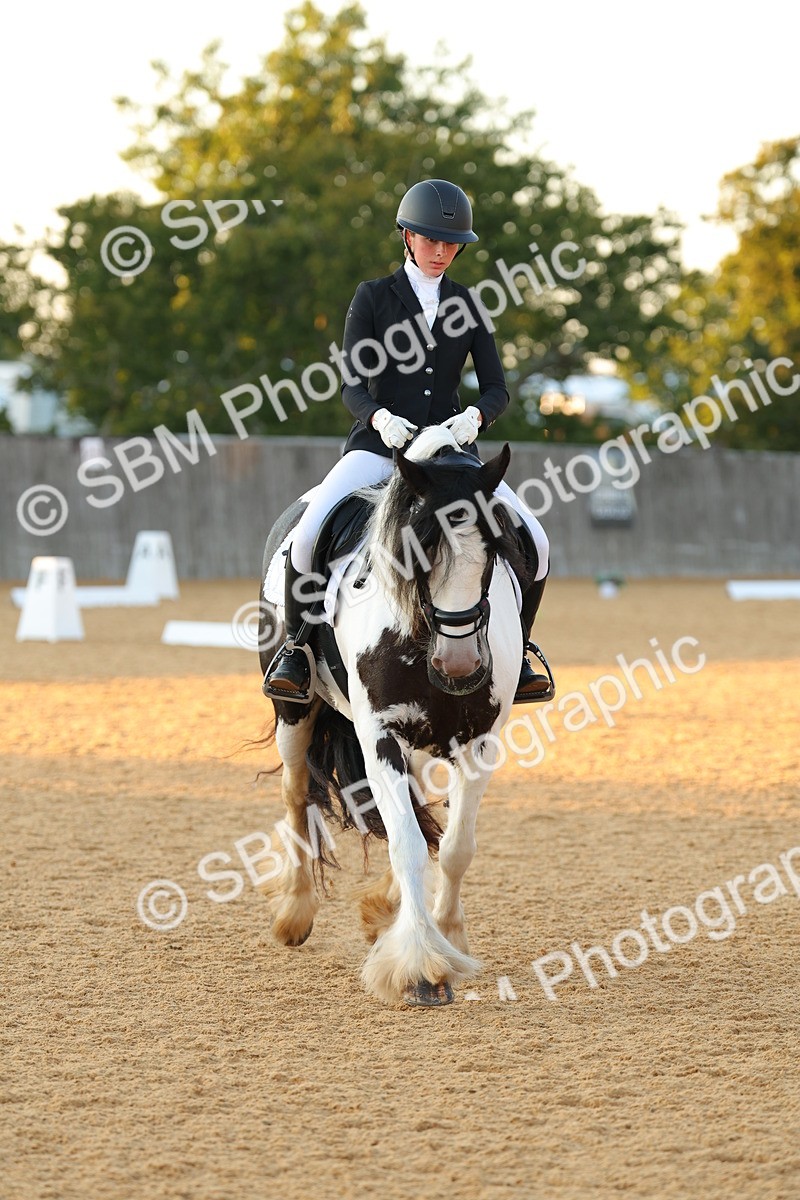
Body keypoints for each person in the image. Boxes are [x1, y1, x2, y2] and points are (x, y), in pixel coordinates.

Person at [263, 178, 555, 705]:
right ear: (406, 236)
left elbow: (497, 389)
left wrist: (472, 421)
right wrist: (378, 418)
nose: (441, 252)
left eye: (451, 244)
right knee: (306, 538)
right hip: (379, 448)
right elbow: (352, 383)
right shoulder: (374, 296)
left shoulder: (468, 303)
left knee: (536, 540)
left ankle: (525, 653)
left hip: (449, 453)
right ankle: (297, 651)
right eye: (430, 240)